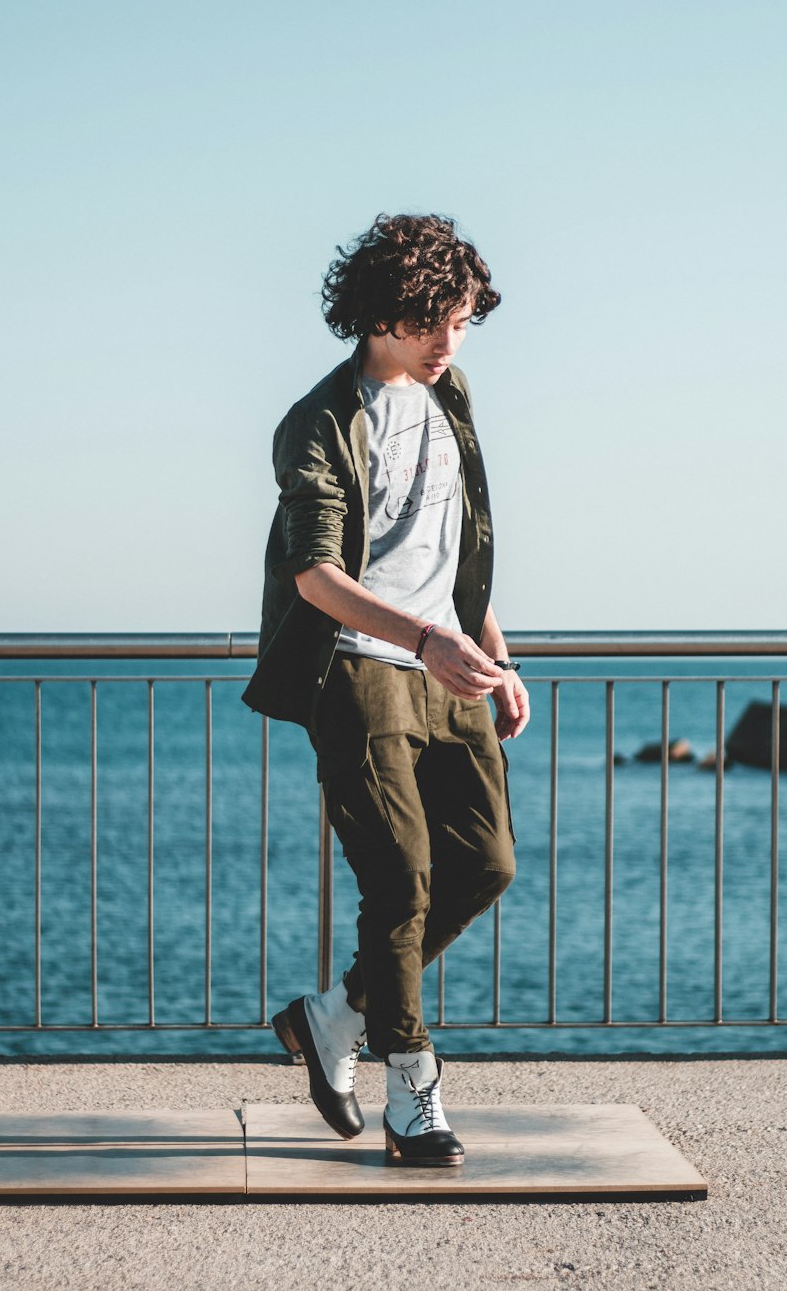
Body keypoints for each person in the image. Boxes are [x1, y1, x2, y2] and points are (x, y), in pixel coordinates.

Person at [243, 212, 529, 1166]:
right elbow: (315, 575)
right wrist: (426, 638)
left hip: (448, 661)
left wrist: (491, 645)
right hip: (361, 666)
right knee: (400, 878)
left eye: (462, 320)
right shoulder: (321, 421)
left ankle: (334, 1016)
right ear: (379, 314)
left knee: (485, 863)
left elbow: (450, 545)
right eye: (432, 321)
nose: (450, 341)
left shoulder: (454, 400)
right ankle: (413, 1089)